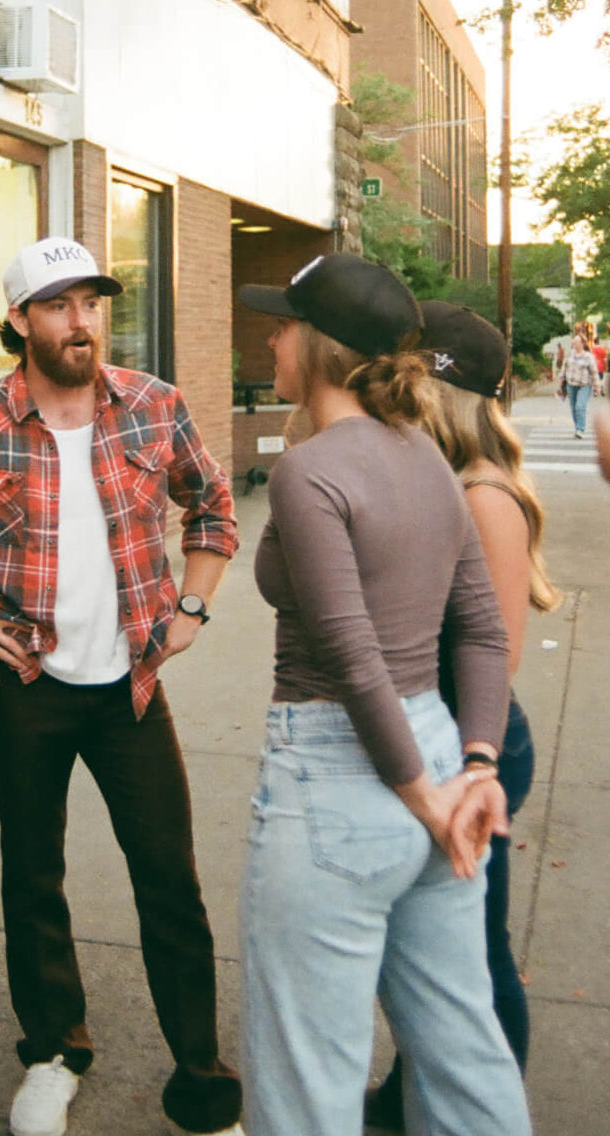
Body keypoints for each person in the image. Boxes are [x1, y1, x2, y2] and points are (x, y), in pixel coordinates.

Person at [0, 236, 243, 1136]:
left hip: (132, 685)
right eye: (57, 304)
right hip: (25, 683)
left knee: (169, 880)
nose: (80, 320)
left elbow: (212, 507)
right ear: (20, 321)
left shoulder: (154, 407)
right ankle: (53, 1051)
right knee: (31, 872)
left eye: (90, 301)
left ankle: (201, 1082)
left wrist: (193, 608)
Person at [236, 253, 532, 1135]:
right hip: (439, 748)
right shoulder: (432, 461)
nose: (272, 335)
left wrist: (420, 794)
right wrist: (473, 767)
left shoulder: (311, 472)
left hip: (341, 776)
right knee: (463, 1050)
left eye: (283, 323)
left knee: (307, 1082)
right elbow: (481, 631)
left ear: (321, 347)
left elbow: (348, 651)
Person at [364, 300, 562, 1131]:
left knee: (473, 958)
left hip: (469, 746)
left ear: (434, 392)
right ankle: (417, 1096)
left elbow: (498, 653)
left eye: (402, 383)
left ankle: (483, 1106)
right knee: (429, 955)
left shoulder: (484, 497)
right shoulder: (438, 483)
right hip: (430, 737)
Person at [560, 333, 599, 437]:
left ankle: (580, 429)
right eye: (573, 342)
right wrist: (561, 378)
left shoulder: (588, 356)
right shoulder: (570, 354)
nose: (574, 344)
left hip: (584, 385)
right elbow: (564, 366)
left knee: (580, 406)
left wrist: (596, 386)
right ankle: (577, 427)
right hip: (571, 384)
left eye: (576, 342)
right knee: (573, 407)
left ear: (582, 344)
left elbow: (594, 372)